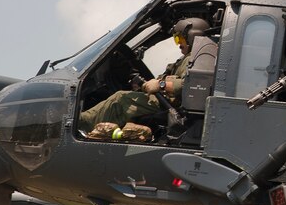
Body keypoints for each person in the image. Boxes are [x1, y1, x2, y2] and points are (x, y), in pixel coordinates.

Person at [79, 17, 211, 137]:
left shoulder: (200, 61)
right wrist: (144, 85)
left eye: (180, 39)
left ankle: (81, 123)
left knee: (120, 100)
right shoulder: (189, 59)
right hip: (165, 100)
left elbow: (190, 85)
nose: (178, 44)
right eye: (176, 39)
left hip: (170, 104)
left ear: (192, 38)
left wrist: (161, 85)